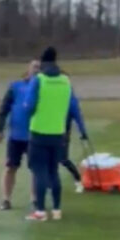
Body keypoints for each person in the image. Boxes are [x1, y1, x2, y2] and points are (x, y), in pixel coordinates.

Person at [24, 47, 88, 221]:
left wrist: (28, 112)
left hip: (39, 132)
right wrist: (82, 129)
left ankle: (40, 211)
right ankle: (57, 209)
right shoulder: (66, 81)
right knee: (53, 171)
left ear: (43, 63)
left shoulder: (39, 80)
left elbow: (28, 105)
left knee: (39, 171)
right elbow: (74, 107)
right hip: (58, 133)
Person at [0, 60, 40, 210]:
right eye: (34, 67)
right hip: (16, 135)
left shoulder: (42, 87)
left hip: (35, 134)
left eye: (39, 68)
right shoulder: (16, 86)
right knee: (10, 167)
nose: (37, 70)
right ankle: (6, 199)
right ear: (28, 68)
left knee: (36, 168)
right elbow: (4, 108)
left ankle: (35, 199)